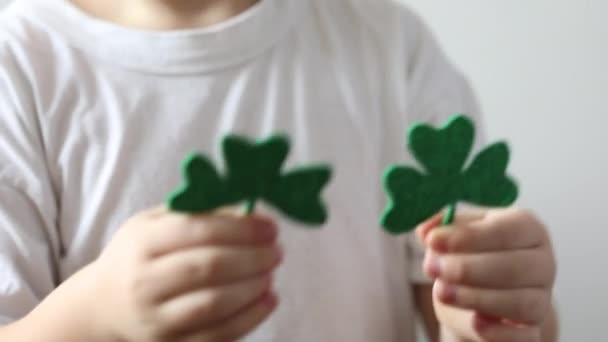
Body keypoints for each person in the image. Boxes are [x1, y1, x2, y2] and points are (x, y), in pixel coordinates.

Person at [0, 0, 558, 341]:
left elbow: (482, 318)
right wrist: (98, 316)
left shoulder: (390, 47)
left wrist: (502, 314)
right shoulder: (19, 64)